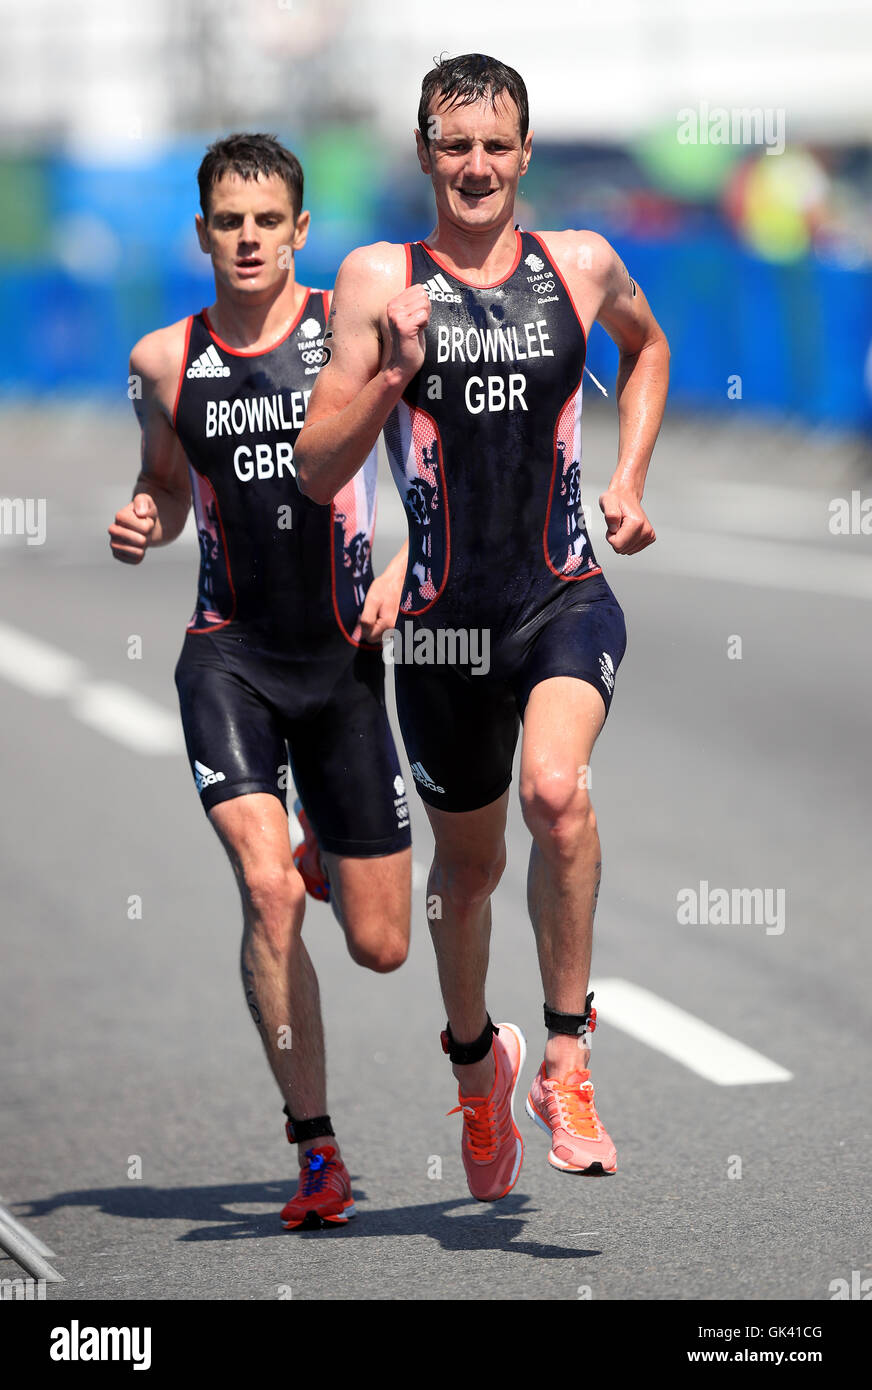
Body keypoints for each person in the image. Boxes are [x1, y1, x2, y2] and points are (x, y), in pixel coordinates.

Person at [295, 56, 669, 1201]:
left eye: (495, 145)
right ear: (422, 152)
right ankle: (475, 1067)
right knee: (466, 864)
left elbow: (645, 348)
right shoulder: (374, 279)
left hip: (560, 591)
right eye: (453, 145)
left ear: (523, 152)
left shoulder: (579, 263)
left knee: (556, 793)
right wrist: (390, 370)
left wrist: (630, 477)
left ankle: (564, 1054)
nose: (475, 166)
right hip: (444, 626)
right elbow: (315, 470)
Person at [108, 133, 412, 1228]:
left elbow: (438, 461)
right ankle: (315, 1148)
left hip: (341, 665)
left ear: (299, 231)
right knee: (266, 886)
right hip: (227, 656)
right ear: (203, 233)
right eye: (227, 221)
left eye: (266, 220)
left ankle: (329, 844)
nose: (246, 237)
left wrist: (407, 559)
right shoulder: (161, 360)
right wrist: (145, 514)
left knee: (381, 946)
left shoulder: (354, 325)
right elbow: (164, 484)